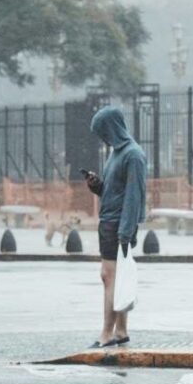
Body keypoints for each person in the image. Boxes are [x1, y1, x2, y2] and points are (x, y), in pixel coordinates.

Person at [84, 106, 147, 348]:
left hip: (118, 225)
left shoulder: (133, 155)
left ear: (113, 128)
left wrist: (125, 232)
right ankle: (121, 331)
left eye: (103, 131)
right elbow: (114, 191)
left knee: (108, 277)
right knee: (116, 279)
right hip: (110, 221)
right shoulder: (117, 154)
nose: (102, 137)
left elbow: (133, 196)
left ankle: (106, 334)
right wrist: (97, 186)